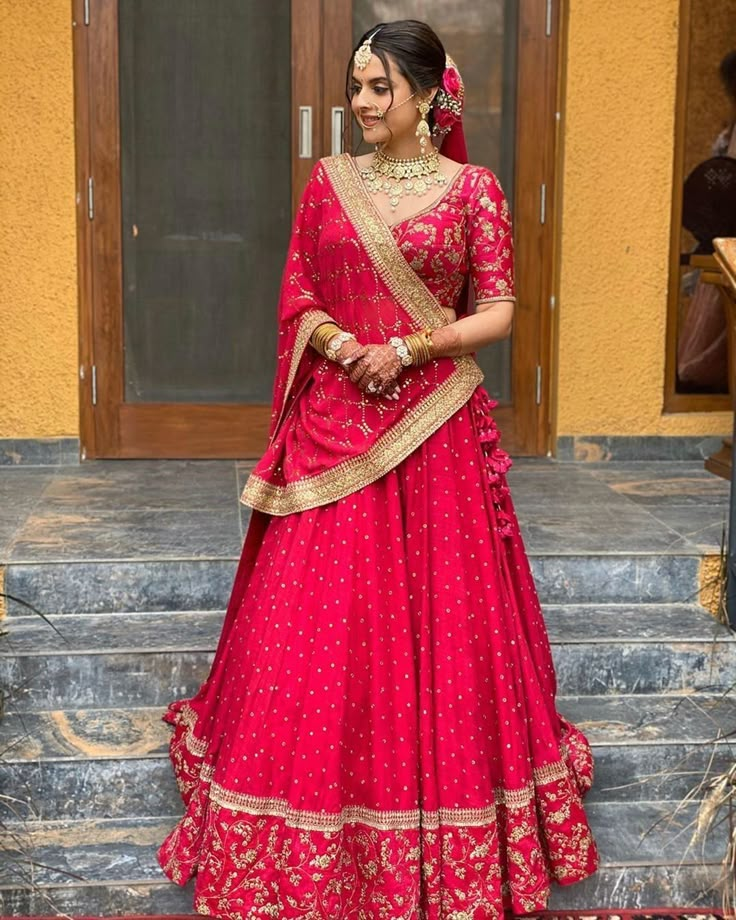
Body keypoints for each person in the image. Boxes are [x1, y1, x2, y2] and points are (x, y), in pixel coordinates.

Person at [157, 20, 598, 918]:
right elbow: (300, 289)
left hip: (434, 427)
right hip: (334, 426)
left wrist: (406, 347)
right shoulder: (328, 184)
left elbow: (501, 309)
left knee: (439, 626)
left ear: (429, 93)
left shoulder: (474, 189)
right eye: (355, 87)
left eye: (377, 87)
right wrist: (338, 341)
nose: (360, 104)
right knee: (320, 624)